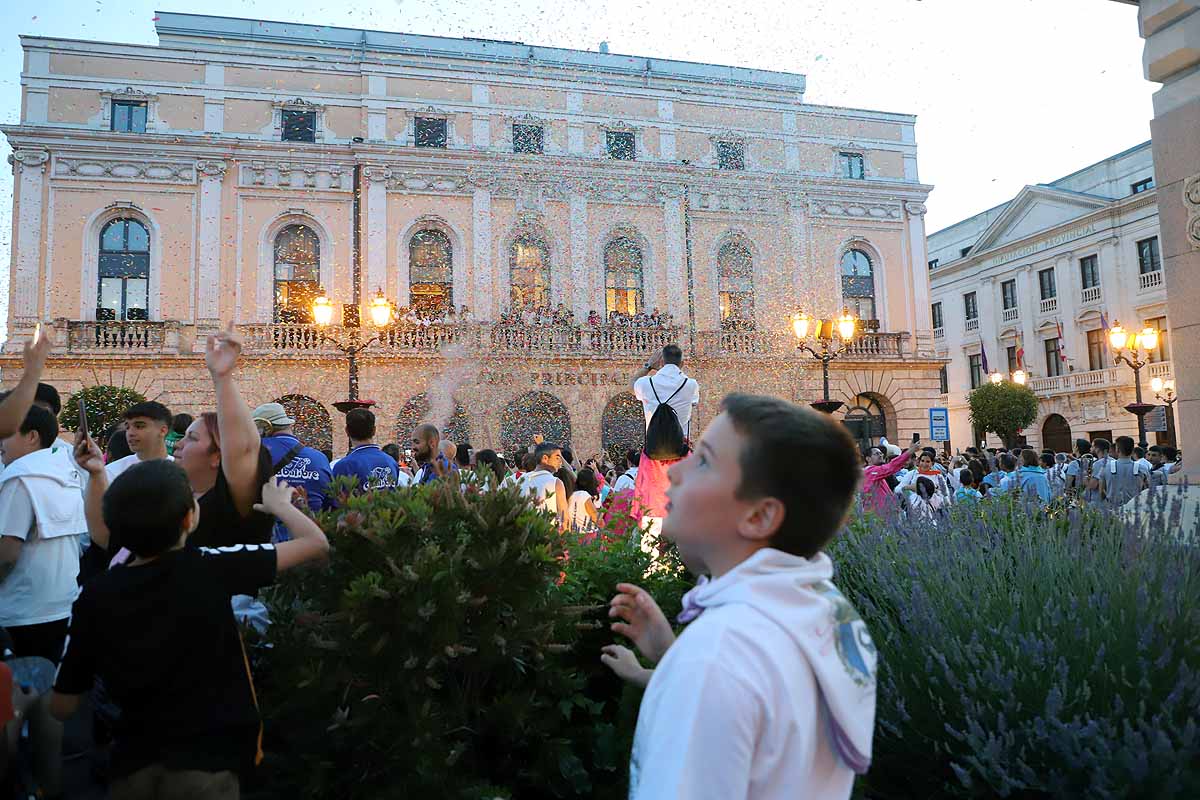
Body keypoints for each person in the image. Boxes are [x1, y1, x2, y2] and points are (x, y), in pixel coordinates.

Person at [605, 394, 873, 799]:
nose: (676, 473)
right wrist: (671, 656)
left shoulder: (715, 659)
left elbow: (725, 680)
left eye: (705, 460)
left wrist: (692, 661)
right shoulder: (821, 609)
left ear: (758, 516)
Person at [47, 461, 330, 799]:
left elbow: (61, 705)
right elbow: (316, 543)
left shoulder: (94, 594)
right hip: (209, 764)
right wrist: (281, 506)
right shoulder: (210, 566)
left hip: (132, 765)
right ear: (189, 518)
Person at [0, 405, 86, 664]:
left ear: (32, 436)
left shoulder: (20, 475)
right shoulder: (65, 471)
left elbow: (7, 552)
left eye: (6, 432)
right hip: (61, 606)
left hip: (19, 612)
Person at [631, 345, 700, 536]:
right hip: (681, 453)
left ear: (660, 362)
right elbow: (693, 401)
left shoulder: (646, 383)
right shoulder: (691, 385)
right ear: (682, 362)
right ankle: (679, 559)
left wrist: (648, 366)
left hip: (653, 454)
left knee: (650, 513)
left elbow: (632, 385)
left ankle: (649, 561)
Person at [254, 403, 332, 536]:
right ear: (288, 425)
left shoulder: (255, 451)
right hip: (312, 536)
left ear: (263, 428)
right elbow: (330, 505)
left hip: (268, 538)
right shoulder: (320, 458)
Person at [331, 409, 403, 494]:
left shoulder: (344, 465)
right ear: (374, 430)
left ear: (347, 431)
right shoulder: (391, 461)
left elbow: (337, 500)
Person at [106, 401, 174, 481]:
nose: (130, 433)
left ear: (163, 431)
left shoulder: (183, 469)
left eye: (139, 426)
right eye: (127, 427)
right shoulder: (112, 472)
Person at [517, 443, 567, 532]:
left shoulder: (521, 479)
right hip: (547, 536)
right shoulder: (555, 482)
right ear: (545, 459)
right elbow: (564, 517)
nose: (560, 461)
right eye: (557, 457)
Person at [861, 439, 919, 515]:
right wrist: (910, 451)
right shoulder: (870, 471)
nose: (881, 455)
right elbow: (891, 466)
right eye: (877, 454)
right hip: (877, 518)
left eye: (881, 453)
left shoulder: (877, 474)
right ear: (868, 459)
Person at [1100, 435, 1146, 507]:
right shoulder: (1142, 468)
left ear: (1117, 450)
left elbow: (1101, 492)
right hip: (1135, 509)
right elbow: (1147, 491)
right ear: (1132, 450)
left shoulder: (1106, 467)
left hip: (1113, 509)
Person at [567, 468, 601, 534]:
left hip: (573, 532)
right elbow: (594, 516)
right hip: (587, 533)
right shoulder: (584, 495)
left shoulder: (571, 494)